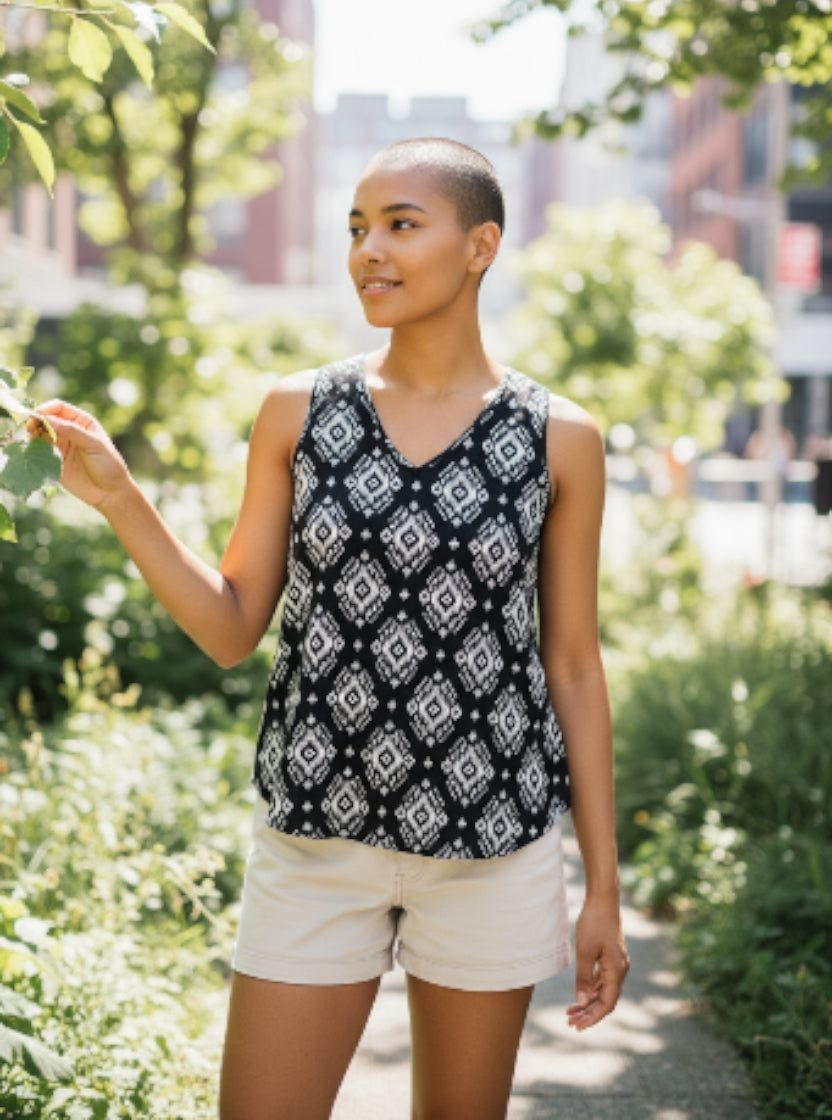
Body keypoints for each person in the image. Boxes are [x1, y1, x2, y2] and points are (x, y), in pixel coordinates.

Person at [33, 137, 629, 1120]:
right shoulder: (297, 411)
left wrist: (601, 887)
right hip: (314, 840)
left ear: (480, 245)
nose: (369, 252)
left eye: (401, 225)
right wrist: (121, 500)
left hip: (490, 848)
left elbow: (571, 663)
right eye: (357, 228)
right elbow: (231, 628)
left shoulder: (558, 434)